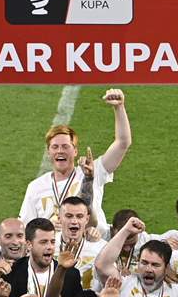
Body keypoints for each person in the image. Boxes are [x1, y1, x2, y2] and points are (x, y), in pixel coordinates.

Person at [20, 89, 131, 235]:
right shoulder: (35, 187)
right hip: (53, 247)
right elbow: (25, 229)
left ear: (75, 151)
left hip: (92, 244)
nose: (60, 151)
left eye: (65, 146)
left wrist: (119, 107)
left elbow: (122, 143)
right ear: (48, 152)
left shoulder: (92, 171)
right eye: (55, 147)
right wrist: (47, 225)